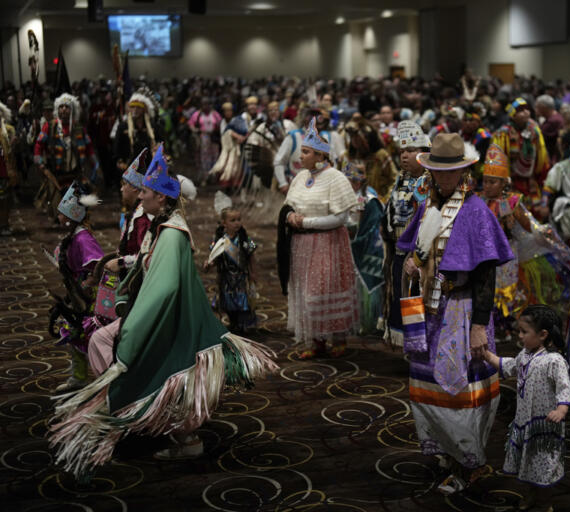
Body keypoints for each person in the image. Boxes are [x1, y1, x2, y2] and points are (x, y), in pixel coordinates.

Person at [51, 144, 278, 479]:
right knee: (109, 345)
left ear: (160, 196)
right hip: (170, 315)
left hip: (173, 321)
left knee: (155, 367)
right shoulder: (165, 225)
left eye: (144, 191)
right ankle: (152, 423)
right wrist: (136, 269)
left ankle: (178, 434)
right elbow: (153, 265)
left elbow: (166, 287)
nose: (139, 196)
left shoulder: (171, 233)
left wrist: (134, 328)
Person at [397, 133, 513, 494]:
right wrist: (415, 263)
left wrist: (479, 326)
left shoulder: (475, 210)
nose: (442, 179)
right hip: (431, 313)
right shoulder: (429, 206)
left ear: (464, 172)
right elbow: (418, 249)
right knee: (427, 385)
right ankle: (448, 453)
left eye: (450, 173)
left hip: (461, 313)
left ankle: (471, 462)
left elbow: (485, 274)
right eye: (436, 172)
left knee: (459, 390)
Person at [484, 305, 570, 511]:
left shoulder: (554, 360)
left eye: (524, 332)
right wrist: (488, 356)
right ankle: (531, 496)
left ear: (543, 335)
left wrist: (561, 410)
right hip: (525, 422)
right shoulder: (525, 354)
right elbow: (509, 366)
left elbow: (564, 387)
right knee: (528, 464)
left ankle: (544, 504)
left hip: (544, 428)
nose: (520, 336)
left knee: (543, 467)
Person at [282, 118, 359, 359]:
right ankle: (315, 340)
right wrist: (291, 216)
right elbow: (289, 204)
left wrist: (306, 222)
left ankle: (338, 337)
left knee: (325, 290)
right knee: (307, 293)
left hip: (328, 243)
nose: (299, 157)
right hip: (302, 245)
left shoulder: (335, 177)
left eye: (305, 152)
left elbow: (341, 217)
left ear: (319, 155)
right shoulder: (300, 176)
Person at [481, 144, 570, 331]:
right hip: (485, 256)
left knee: (507, 295)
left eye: (493, 182)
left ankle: (507, 327)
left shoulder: (511, 203)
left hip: (507, 257)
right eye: (485, 181)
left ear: (503, 183)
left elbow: (530, 227)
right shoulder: (479, 201)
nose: (487, 186)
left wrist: (544, 234)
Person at [49, 182, 104, 392]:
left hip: (88, 298)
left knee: (88, 336)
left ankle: (104, 376)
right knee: (75, 336)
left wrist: (85, 286)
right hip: (77, 295)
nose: (59, 217)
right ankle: (79, 377)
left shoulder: (83, 239)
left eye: (62, 214)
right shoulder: (74, 236)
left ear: (72, 215)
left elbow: (97, 268)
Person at [381, 120, 431, 348]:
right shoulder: (401, 179)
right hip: (399, 251)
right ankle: (409, 348)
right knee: (402, 298)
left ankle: (421, 346)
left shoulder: (430, 181)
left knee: (418, 300)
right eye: (402, 151)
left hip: (422, 255)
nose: (404, 156)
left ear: (424, 152)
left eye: (410, 150)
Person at [33, 93, 99, 222]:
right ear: (57, 110)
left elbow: (89, 147)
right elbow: (38, 146)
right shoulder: (50, 126)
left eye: (67, 107)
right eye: (61, 107)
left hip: (75, 173)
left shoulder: (79, 127)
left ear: (72, 109)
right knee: (57, 212)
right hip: (55, 173)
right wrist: (40, 163)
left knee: (76, 211)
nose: (64, 109)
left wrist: (95, 164)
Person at [344, 162, 385, 334]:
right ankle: (357, 321)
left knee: (368, 283)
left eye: (352, 180)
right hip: (352, 243)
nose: (349, 184)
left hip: (369, 246)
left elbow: (370, 225)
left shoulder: (368, 198)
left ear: (359, 181)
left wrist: (354, 235)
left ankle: (371, 321)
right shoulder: (346, 195)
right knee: (353, 283)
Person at [204, 207, 258, 334]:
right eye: (233, 220)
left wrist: (253, 272)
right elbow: (214, 256)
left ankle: (243, 324)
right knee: (228, 301)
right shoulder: (219, 239)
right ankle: (233, 322)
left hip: (241, 277)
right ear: (224, 223)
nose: (237, 223)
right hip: (226, 277)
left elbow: (252, 255)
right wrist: (208, 264)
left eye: (239, 219)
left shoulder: (244, 238)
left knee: (243, 301)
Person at [491, 97, 550, 208]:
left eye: (527, 109)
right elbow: (497, 161)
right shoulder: (502, 134)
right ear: (513, 115)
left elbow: (541, 157)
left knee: (535, 213)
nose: (526, 112)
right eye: (521, 110)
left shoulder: (534, 131)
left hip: (530, 181)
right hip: (511, 181)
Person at [113, 87, 161, 172]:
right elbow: (117, 149)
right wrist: (120, 162)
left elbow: (161, 143)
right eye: (132, 107)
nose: (135, 110)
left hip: (150, 168)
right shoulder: (123, 127)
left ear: (144, 110)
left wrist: (159, 150)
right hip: (130, 169)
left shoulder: (153, 127)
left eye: (138, 107)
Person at [187, 97, 222, 182]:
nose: (206, 106)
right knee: (204, 157)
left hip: (214, 137)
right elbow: (190, 123)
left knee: (215, 156)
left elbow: (221, 123)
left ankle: (213, 176)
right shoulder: (197, 114)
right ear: (201, 105)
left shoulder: (215, 114)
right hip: (203, 137)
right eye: (204, 104)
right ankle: (205, 177)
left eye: (207, 104)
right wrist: (195, 130)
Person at [0, 100, 17, 236]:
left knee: (5, 199)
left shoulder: (8, 130)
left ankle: (4, 224)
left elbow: (11, 151)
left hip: (4, 170)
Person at [535, 94, 564, 163]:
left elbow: (538, 136)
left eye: (537, 107)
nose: (535, 109)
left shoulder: (553, 121)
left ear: (543, 107)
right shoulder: (555, 117)